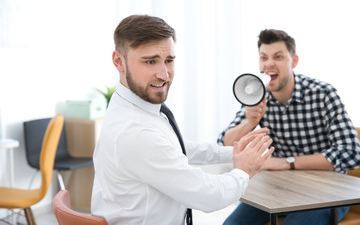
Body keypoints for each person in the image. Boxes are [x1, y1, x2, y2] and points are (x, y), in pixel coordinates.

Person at [91, 15, 274, 225]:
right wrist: (243, 170)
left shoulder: (133, 107)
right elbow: (209, 195)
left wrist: (233, 152)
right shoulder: (135, 132)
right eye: (150, 61)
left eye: (168, 61)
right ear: (118, 61)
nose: (164, 75)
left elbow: (173, 148)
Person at [218, 29, 360, 225]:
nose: (268, 64)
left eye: (278, 56)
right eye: (263, 57)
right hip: (280, 189)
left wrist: (286, 162)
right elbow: (225, 143)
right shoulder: (257, 95)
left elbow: (351, 153)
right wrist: (249, 121)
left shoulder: (323, 94)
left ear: (293, 61)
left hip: (327, 192)